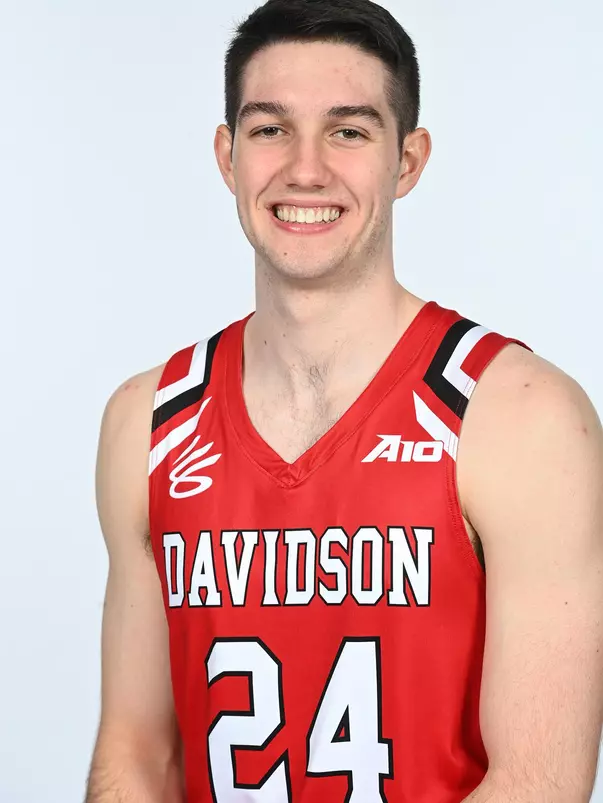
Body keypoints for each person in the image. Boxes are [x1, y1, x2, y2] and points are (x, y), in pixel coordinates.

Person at [85, 0, 603, 801]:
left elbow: (539, 784)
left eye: (349, 130)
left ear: (407, 159)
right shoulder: (147, 421)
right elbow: (135, 755)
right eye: (269, 129)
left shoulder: (521, 418)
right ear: (227, 156)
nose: (305, 169)